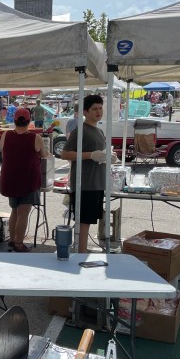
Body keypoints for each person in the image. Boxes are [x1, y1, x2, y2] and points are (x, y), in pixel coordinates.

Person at [61, 94, 115, 253]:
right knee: (83, 222)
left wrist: (108, 157)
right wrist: (90, 155)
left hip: (97, 183)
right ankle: (81, 254)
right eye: (94, 109)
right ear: (85, 112)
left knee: (89, 221)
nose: (99, 111)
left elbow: (99, 155)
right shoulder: (80, 130)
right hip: (84, 184)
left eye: (100, 108)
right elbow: (65, 154)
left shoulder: (99, 131)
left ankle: (82, 252)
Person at [0, 108, 50, 253]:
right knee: (23, 213)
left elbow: (3, 151)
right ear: (29, 121)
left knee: (14, 211)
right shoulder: (36, 138)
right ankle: (19, 244)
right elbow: (44, 154)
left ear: (14, 120)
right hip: (28, 181)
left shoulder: (6, 135)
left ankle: (13, 240)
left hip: (10, 179)